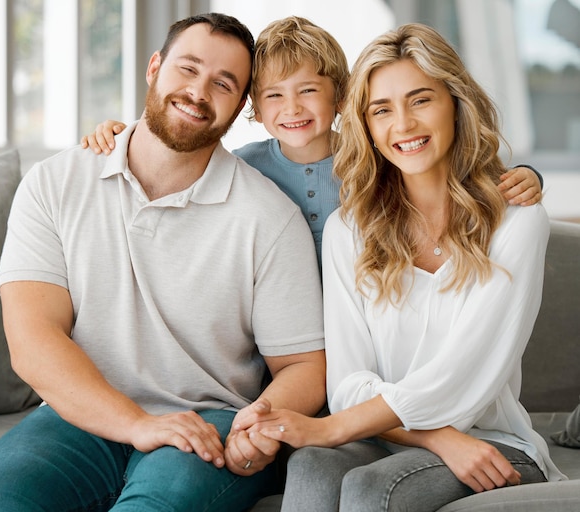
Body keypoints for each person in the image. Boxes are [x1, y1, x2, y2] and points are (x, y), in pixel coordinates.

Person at [0, 13, 326, 512]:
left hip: (209, 420)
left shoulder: (269, 216)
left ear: (241, 106)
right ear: (154, 67)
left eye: (223, 83)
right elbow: (33, 339)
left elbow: (305, 366)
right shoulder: (55, 182)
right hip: (76, 415)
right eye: (188, 68)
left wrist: (258, 423)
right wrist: (137, 424)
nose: (198, 92)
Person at [233, 23, 566, 512]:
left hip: (492, 440)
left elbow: (462, 378)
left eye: (421, 100)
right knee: (310, 466)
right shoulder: (351, 226)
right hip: (386, 435)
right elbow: (347, 384)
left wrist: (329, 428)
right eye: (382, 110)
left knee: (371, 488)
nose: (404, 125)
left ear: (456, 101)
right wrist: (435, 437)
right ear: (365, 125)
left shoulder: (516, 220)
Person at [82, 17, 544, 267]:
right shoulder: (240, 166)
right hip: (275, 330)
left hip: (367, 315)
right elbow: (177, 155)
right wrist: (122, 132)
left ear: (340, 96)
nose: (293, 109)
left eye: (308, 91)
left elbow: (454, 174)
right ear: (254, 110)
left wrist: (528, 177)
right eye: (275, 96)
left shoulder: (376, 155)